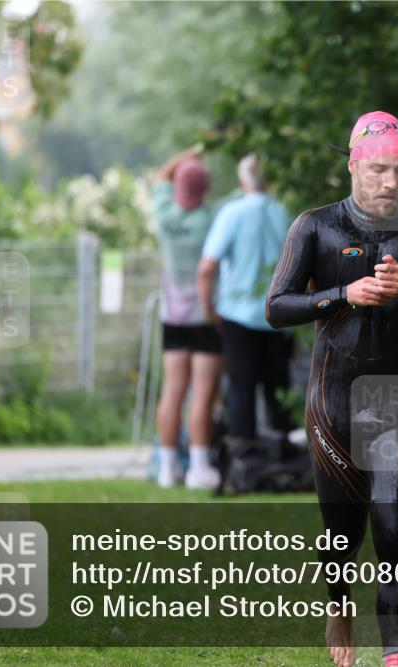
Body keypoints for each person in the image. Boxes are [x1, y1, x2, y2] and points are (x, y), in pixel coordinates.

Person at [265, 111, 398, 667]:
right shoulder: (315, 226)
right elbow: (277, 307)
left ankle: (397, 655)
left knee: (397, 530)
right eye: (378, 169)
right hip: (333, 407)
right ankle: (338, 603)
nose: (389, 182)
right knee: (342, 538)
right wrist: (343, 294)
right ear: (354, 166)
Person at [197, 153, 294, 448]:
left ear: (242, 182)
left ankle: (243, 453)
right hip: (280, 315)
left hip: (238, 315)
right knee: (278, 390)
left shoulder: (232, 213)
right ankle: (284, 453)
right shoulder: (285, 212)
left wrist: (209, 310)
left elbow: (206, 268)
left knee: (241, 389)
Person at [151, 149, 223, 490]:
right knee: (203, 394)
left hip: (172, 316)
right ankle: (198, 468)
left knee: (173, 392)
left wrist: (189, 153)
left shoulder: (164, 213)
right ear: (205, 189)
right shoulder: (210, 218)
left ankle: (166, 470)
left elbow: (160, 178)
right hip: (205, 316)